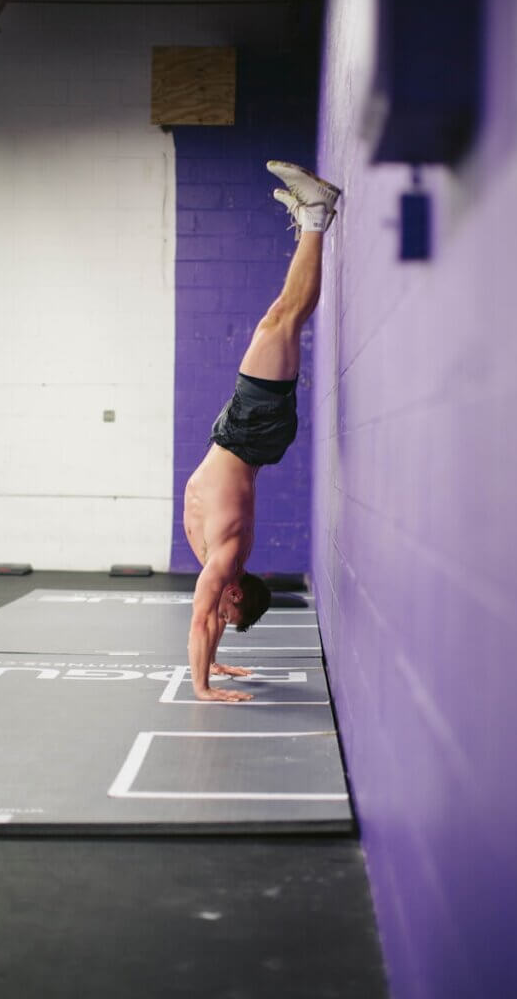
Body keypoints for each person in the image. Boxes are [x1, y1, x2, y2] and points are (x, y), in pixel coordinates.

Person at [183, 160, 341, 702]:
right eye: (229, 605)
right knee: (281, 320)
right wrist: (204, 682)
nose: (220, 613)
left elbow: (213, 616)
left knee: (281, 320)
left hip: (249, 435)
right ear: (234, 592)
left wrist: (210, 672)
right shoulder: (226, 560)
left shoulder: (225, 564)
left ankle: (315, 215)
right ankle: (316, 215)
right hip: (250, 433)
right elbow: (208, 615)